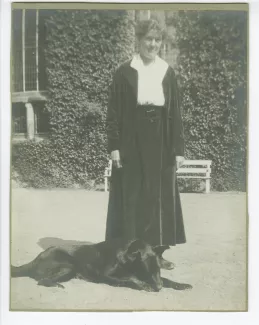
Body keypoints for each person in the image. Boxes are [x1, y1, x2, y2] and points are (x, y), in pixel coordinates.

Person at [105, 19, 186, 246]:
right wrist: (115, 147)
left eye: (157, 40)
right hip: (132, 138)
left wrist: (178, 149)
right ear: (138, 40)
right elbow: (113, 113)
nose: (152, 44)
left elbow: (175, 112)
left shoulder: (166, 72)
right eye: (148, 39)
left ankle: (157, 250)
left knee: (157, 195)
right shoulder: (124, 72)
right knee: (133, 194)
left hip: (161, 138)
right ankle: (131, 249)